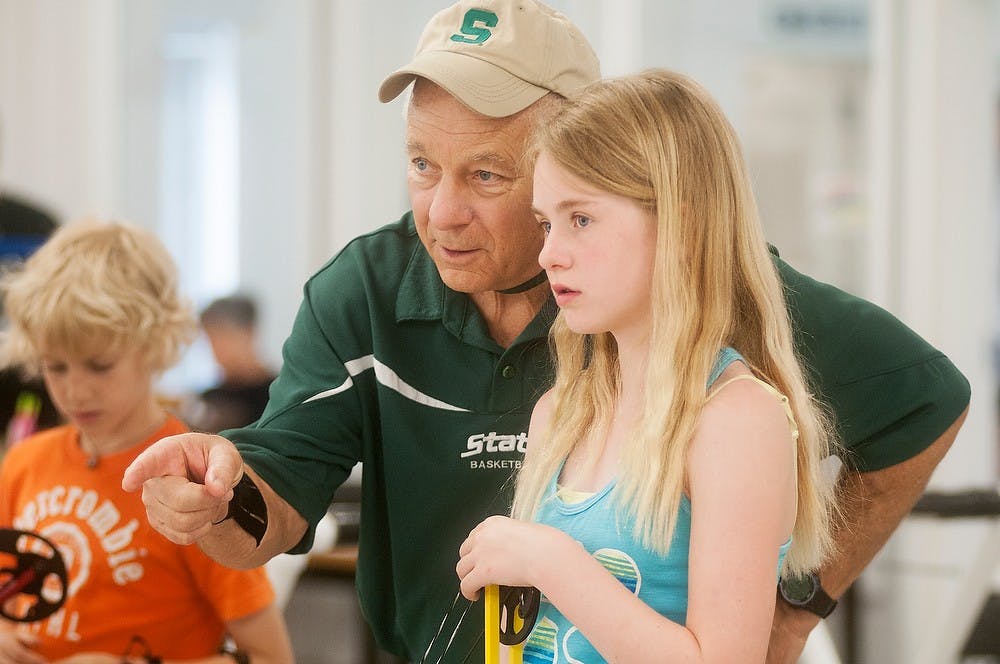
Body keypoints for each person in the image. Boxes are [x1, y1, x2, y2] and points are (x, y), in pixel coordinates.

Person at [121, 1, 970, 662]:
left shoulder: (717, 300)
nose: (441, 213)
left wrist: (795, 609)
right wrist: (216, 494)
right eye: (422, 165)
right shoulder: (372, 298)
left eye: (486, 175)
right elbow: (269, 501)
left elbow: (925, 404)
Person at [455, 68, 839, 663]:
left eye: (581, 219)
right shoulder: (559, 415)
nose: (550, 252)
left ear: (681, 225)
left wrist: (552, 562)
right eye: (546, 223)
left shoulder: (736, 421)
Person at [0, 219, 294, 664]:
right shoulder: (24, 464)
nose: (75, 391)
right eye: (55, 368)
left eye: (99, 366)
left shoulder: (196, 482)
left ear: (155, 346)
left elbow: (270, 656)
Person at [188, 294, 277, 433]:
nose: (217, 348)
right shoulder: (210, 399)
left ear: (249, 332)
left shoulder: (278, 393)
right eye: (211, 339)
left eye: (224, 336)